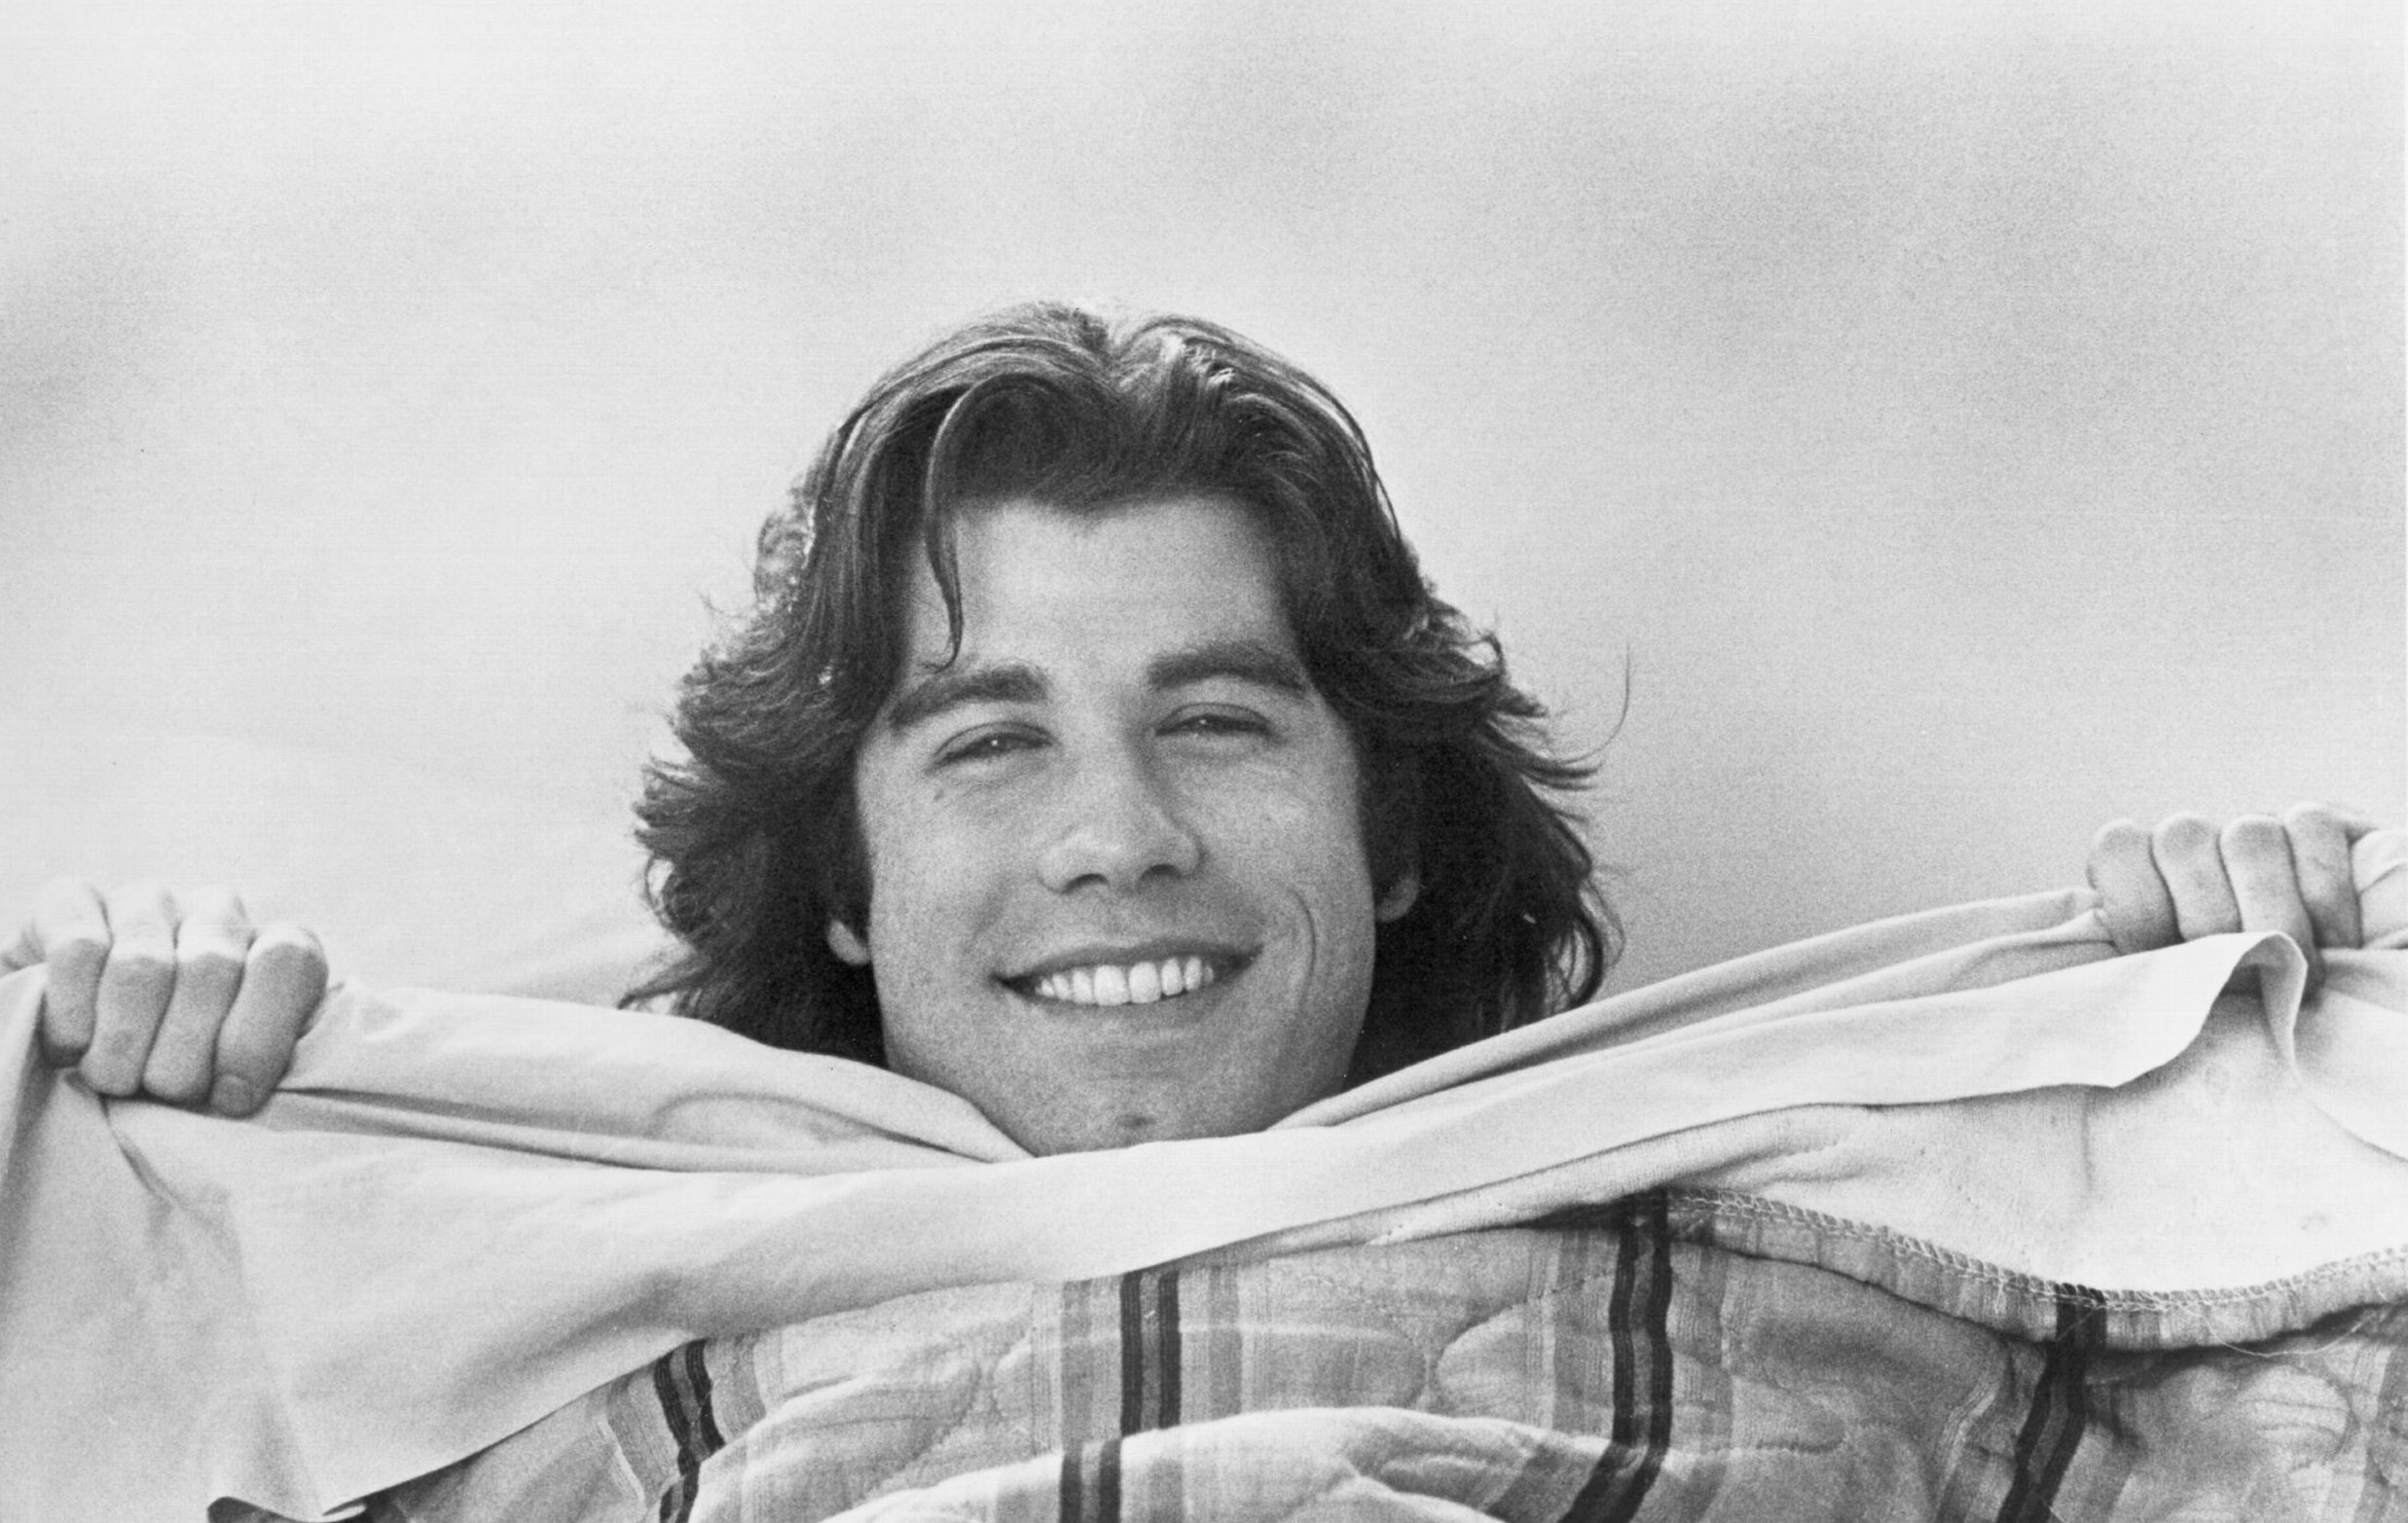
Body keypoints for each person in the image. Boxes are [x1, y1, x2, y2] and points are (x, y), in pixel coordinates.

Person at [1, 304, 2382, 1151]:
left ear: (1396, 833)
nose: (1116, 836)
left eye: (1219, 720)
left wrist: (2244, 1048)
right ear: (843, 886)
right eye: (988, 742)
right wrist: (126, 1112)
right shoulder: (548, 1296)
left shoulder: (1762, 1217)